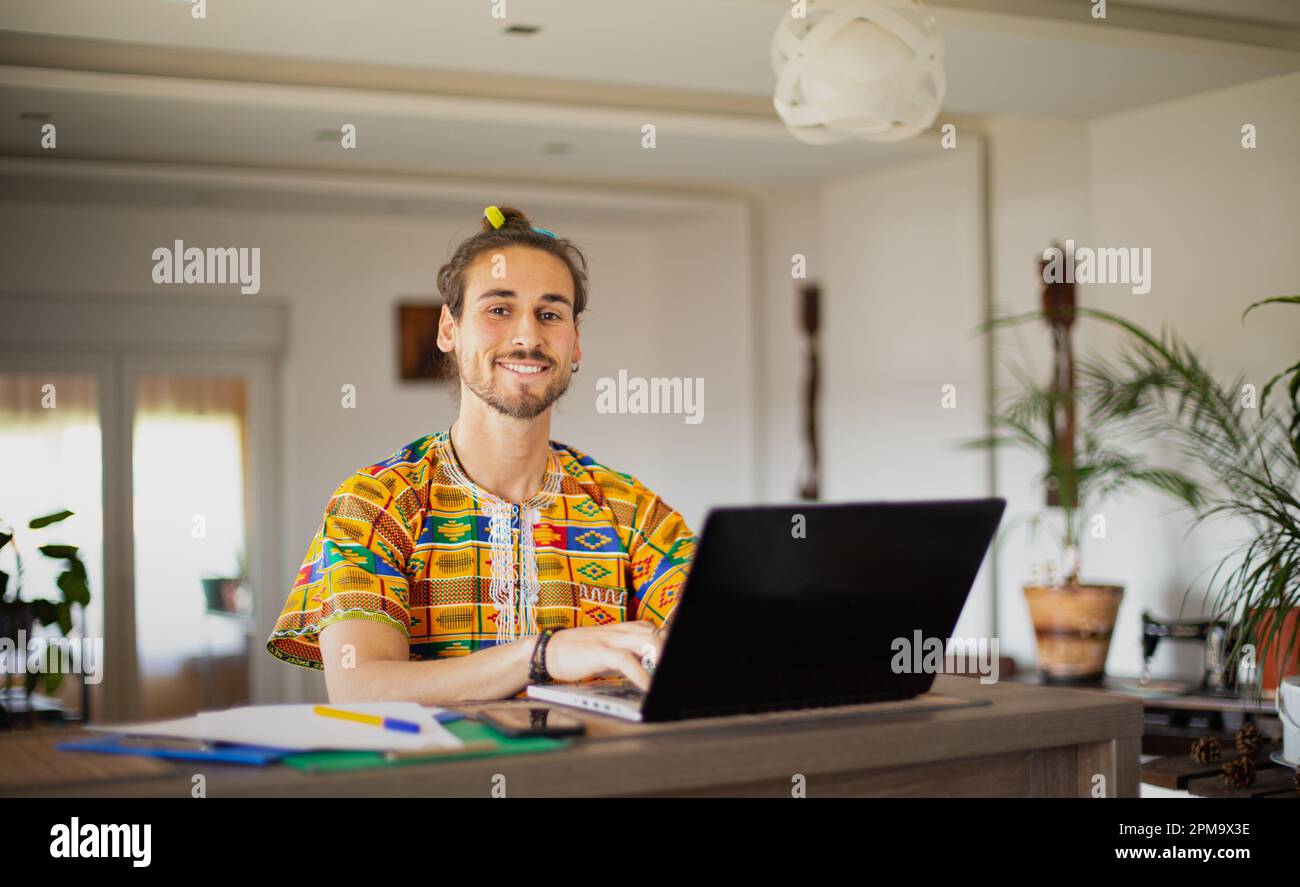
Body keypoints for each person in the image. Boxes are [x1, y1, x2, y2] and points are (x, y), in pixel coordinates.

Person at [266, 205, 696, 705]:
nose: (528, 336)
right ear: (449, 329)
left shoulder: (629, 511)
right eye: (499, 309)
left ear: (575, 342)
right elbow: (359, 687)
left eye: (550, 314)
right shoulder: (376, 504)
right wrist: (541, 655)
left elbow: (723, 635)